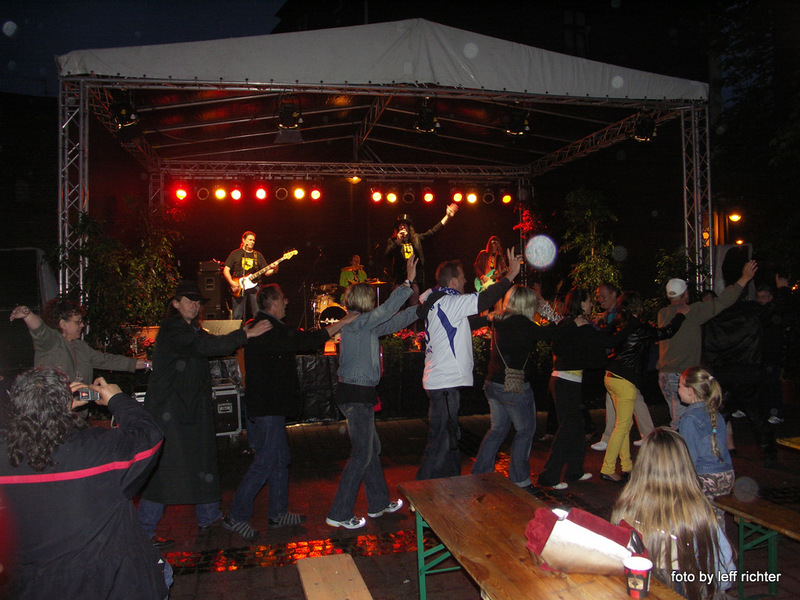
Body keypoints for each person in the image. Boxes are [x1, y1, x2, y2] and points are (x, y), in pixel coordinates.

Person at [0, 368, 171, 599]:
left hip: (36, 587)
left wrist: (49, 409)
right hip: (112, 584)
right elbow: (149, 436)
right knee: (162, 572)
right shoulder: (97, 451)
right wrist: (118, 400)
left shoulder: (6, 460)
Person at [137, 280, 271, 546]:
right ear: (175, 304)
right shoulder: (173, 329)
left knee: (203, 461)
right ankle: (144, 529)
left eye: (197, 301)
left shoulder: (193, 330)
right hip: (170, 412)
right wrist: (246, 335)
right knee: (166, 469)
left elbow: (212, 342)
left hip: (189, 408)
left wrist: (242, 333)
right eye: (188, 300)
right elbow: (206, 348)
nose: (194, 305)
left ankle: (209, 516)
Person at [224, 283, 356, 540]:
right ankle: (235, 516)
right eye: (283, 298)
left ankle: (278, 513)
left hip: (268, 407)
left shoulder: (265, 326)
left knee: (279, 459)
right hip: (268, 408)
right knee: (265, 462)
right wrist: (343, 322)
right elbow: (307, 341)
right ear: (273, 303)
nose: (287, 302)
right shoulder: (268, 328)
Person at [326, 256, 421, 529]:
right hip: (356, 395)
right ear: (365, 300)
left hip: (359, 393)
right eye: (372, 298)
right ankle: (339, 512)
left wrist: (421, 308)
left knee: (370, 449)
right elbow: (386, 311)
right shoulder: (356, 322)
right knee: (362, 454)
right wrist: (407, 283)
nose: (376, 301)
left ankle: (378, 502)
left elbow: (393, 322)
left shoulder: (363, 325)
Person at [415, 248, 521, 480]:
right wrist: (511, 276)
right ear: (453, 281)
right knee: (440, 443)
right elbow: (484, 299)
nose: (466, 280)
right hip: (444, 383)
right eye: (463, 276)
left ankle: (453, 484)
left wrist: (487, 318)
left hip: (441, 383)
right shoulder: (450, 302)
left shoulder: (439, 302)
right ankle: (417, 492)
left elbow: (459, 325)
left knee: (451, 439)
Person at [611, 428, 736, 600]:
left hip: (638, 590)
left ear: (641, 465)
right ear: (685, 465)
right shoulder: (698, 512)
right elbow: (724, 574)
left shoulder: (624, 509)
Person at [470, 285, 561, 492]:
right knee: (525, 430)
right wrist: (551, 314)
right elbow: (553, 333)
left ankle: (480, 472)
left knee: (497, 429)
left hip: (492, 384)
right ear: (527, 304)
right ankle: (520, 480)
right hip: (513, 387)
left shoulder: (499, 320)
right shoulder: (523, 323)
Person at [656, 260, 758, 428]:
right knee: (684, 423)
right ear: (686, 294)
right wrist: (744, 278)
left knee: (682, 419)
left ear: (669, 296)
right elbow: (723, 301)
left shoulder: (662, 313)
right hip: (681, 376)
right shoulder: (692, 312)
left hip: (664, 376)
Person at [600, 291, 687, 483]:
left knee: (623, 425)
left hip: (612, 376)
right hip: (625, 379)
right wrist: (680, 316)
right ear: (639, 306)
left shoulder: (622, 324)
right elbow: (667, 332)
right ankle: (607, 469)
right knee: (622, 426)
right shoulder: (640, 327)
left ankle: (627, 466)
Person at [537, 288, 607, 490]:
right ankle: (549, 476)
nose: (591, 304)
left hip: (564, 381)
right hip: (565, 382)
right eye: (588, 301)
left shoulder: (570, 324)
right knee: (568, 429)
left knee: (576, 427)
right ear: (580, 303)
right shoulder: (577, 326)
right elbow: (594, 354)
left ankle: (575, 470)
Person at [9, 299, 150, 384]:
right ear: (63, 324)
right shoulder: (52, 341)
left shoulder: (81, 347)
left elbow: (109, 361)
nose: (82, 325)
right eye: (78, 322)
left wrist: (147, 364)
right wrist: (28, 315)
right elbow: (40, 330)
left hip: (76, 416)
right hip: (53, 415)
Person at [590, 282, 654, 452]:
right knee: (626, 399)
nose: (600, 299)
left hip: (624, 368)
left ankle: (614, 439)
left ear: (614, 295)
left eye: (603, 295)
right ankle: (646, 436)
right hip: (619, 367)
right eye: (598, 296)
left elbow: (614, 340)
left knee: (627, 400)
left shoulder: (623, 318)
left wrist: (593, 331)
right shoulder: (614, 316)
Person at [677, 366, 734, 523]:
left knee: (699, 522)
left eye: (680, 386)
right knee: (716, 521)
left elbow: (689, 457)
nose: (678, 390)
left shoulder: (689, 418)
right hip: (725, 475)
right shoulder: (716, 414)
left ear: (691, 391)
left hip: (705, 477)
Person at [384, 204, 459, 302]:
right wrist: (398, 242)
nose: (402, 226)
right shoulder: (393, 241)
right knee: (397, 303)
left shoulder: (416, 239)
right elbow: (387, 255)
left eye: (405, 224)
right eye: (400, 224)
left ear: (409, 227)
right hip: (399, 280)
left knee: (414, 303)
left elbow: (433, 232)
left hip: (414, 280)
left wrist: (447, 217)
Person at [223, 231, 274, 320]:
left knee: (257, 313)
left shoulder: (258, 255)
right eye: (250, 240)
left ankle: (257, 327)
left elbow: (266, 272)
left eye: (253, 240)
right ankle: (237, 329)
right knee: (237, 314)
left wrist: (274, 269)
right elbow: (226, 270)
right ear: (243, 240)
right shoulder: (235, 254)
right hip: (238, 286)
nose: (252, 242)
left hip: (254, 285)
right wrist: (231, 282)